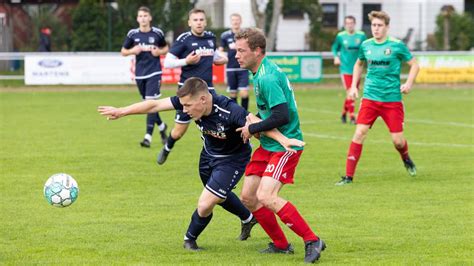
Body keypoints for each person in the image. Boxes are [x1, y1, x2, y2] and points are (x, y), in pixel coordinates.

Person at [98, 77, 304, 251]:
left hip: (232, 161)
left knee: (206, 203)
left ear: (203, 99)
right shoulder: (190, 101)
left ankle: (190, 240)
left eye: (188, 106)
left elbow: (255, 122)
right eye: (183, 105)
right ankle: (248, 217)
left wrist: (283, 140)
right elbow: (154, 105)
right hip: (207, 156)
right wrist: (121, 111)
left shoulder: (230, 110)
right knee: (218, 196)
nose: (184, 110)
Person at [234, 28, 326, 264]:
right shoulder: (260, 72)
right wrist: (253, 119)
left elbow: (281, 116)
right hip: (267, 144)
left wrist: (252, 128)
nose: (237, 55)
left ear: (257, 51)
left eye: (241, 51)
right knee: (248, 197)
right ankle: (281, 245)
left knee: (266, 195)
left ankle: (312, 240)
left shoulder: (267, 77)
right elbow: (269, 111)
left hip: (285, 146)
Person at [336, 11, 420, 186]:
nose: (376, 29)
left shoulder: (397, 45)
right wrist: (353, 86)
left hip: (392, 100)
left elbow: (414, 65)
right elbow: (358, 64)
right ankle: (348, 177)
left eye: (379, 25)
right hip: (370, 98)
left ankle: (406, 158)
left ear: (387, 27)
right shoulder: (366, 45)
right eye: (373, 25)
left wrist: (408, 84)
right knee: (359, 133)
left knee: (397, 141)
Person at [158, 8, 227, 165]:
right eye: (195, 20)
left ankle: (221, 155)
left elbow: (214, 56)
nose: (199, 23)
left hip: (208, 91)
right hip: (187, 93)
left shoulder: (210, 38)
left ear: (205, 22)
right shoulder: (184, 39)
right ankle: (167, 147)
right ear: (189, 22)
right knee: (179, 132)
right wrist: (186, 62)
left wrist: (221, 59)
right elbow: (168, 62)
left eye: (201, 19)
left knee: (218, 123)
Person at [121, 6, 169, 148]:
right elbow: (123, 51)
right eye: (140, 16)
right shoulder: (132, 34)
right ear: (137, 19)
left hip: (154, 72)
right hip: (140, 74)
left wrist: (159, 51)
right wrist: (132, 51)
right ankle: (162, 127)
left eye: (145, 16)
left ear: (150, 18)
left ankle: (147, 137)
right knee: (149, 105)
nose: (143, 18)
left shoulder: (157, 33)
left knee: (149, 102)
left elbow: (166, 48)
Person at [331, 16, 366, 124]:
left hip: (358, 68)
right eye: (347, 23)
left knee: (353, 92)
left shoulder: (361, 35)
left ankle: (343, 113)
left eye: (351, 23)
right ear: (345, 24)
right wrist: (336, 57)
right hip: (345, 68)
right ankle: (352, 116)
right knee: (350, 91)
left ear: (354, 24)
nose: (349, 25)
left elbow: (366, 48)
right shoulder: (341, 36)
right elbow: (334, 48)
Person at [219, 13, 250, 110]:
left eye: (237, 20)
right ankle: (237, 115)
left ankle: (245, 114)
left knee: (244, 93)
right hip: (230, 68)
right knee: (233, 93)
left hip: (243, 67)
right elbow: (220, 50)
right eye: (233, 20)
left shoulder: (246, 35)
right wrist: (221, 56)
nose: (235, 22)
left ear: (240, 21)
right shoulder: (225, 35)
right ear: (231, 22)